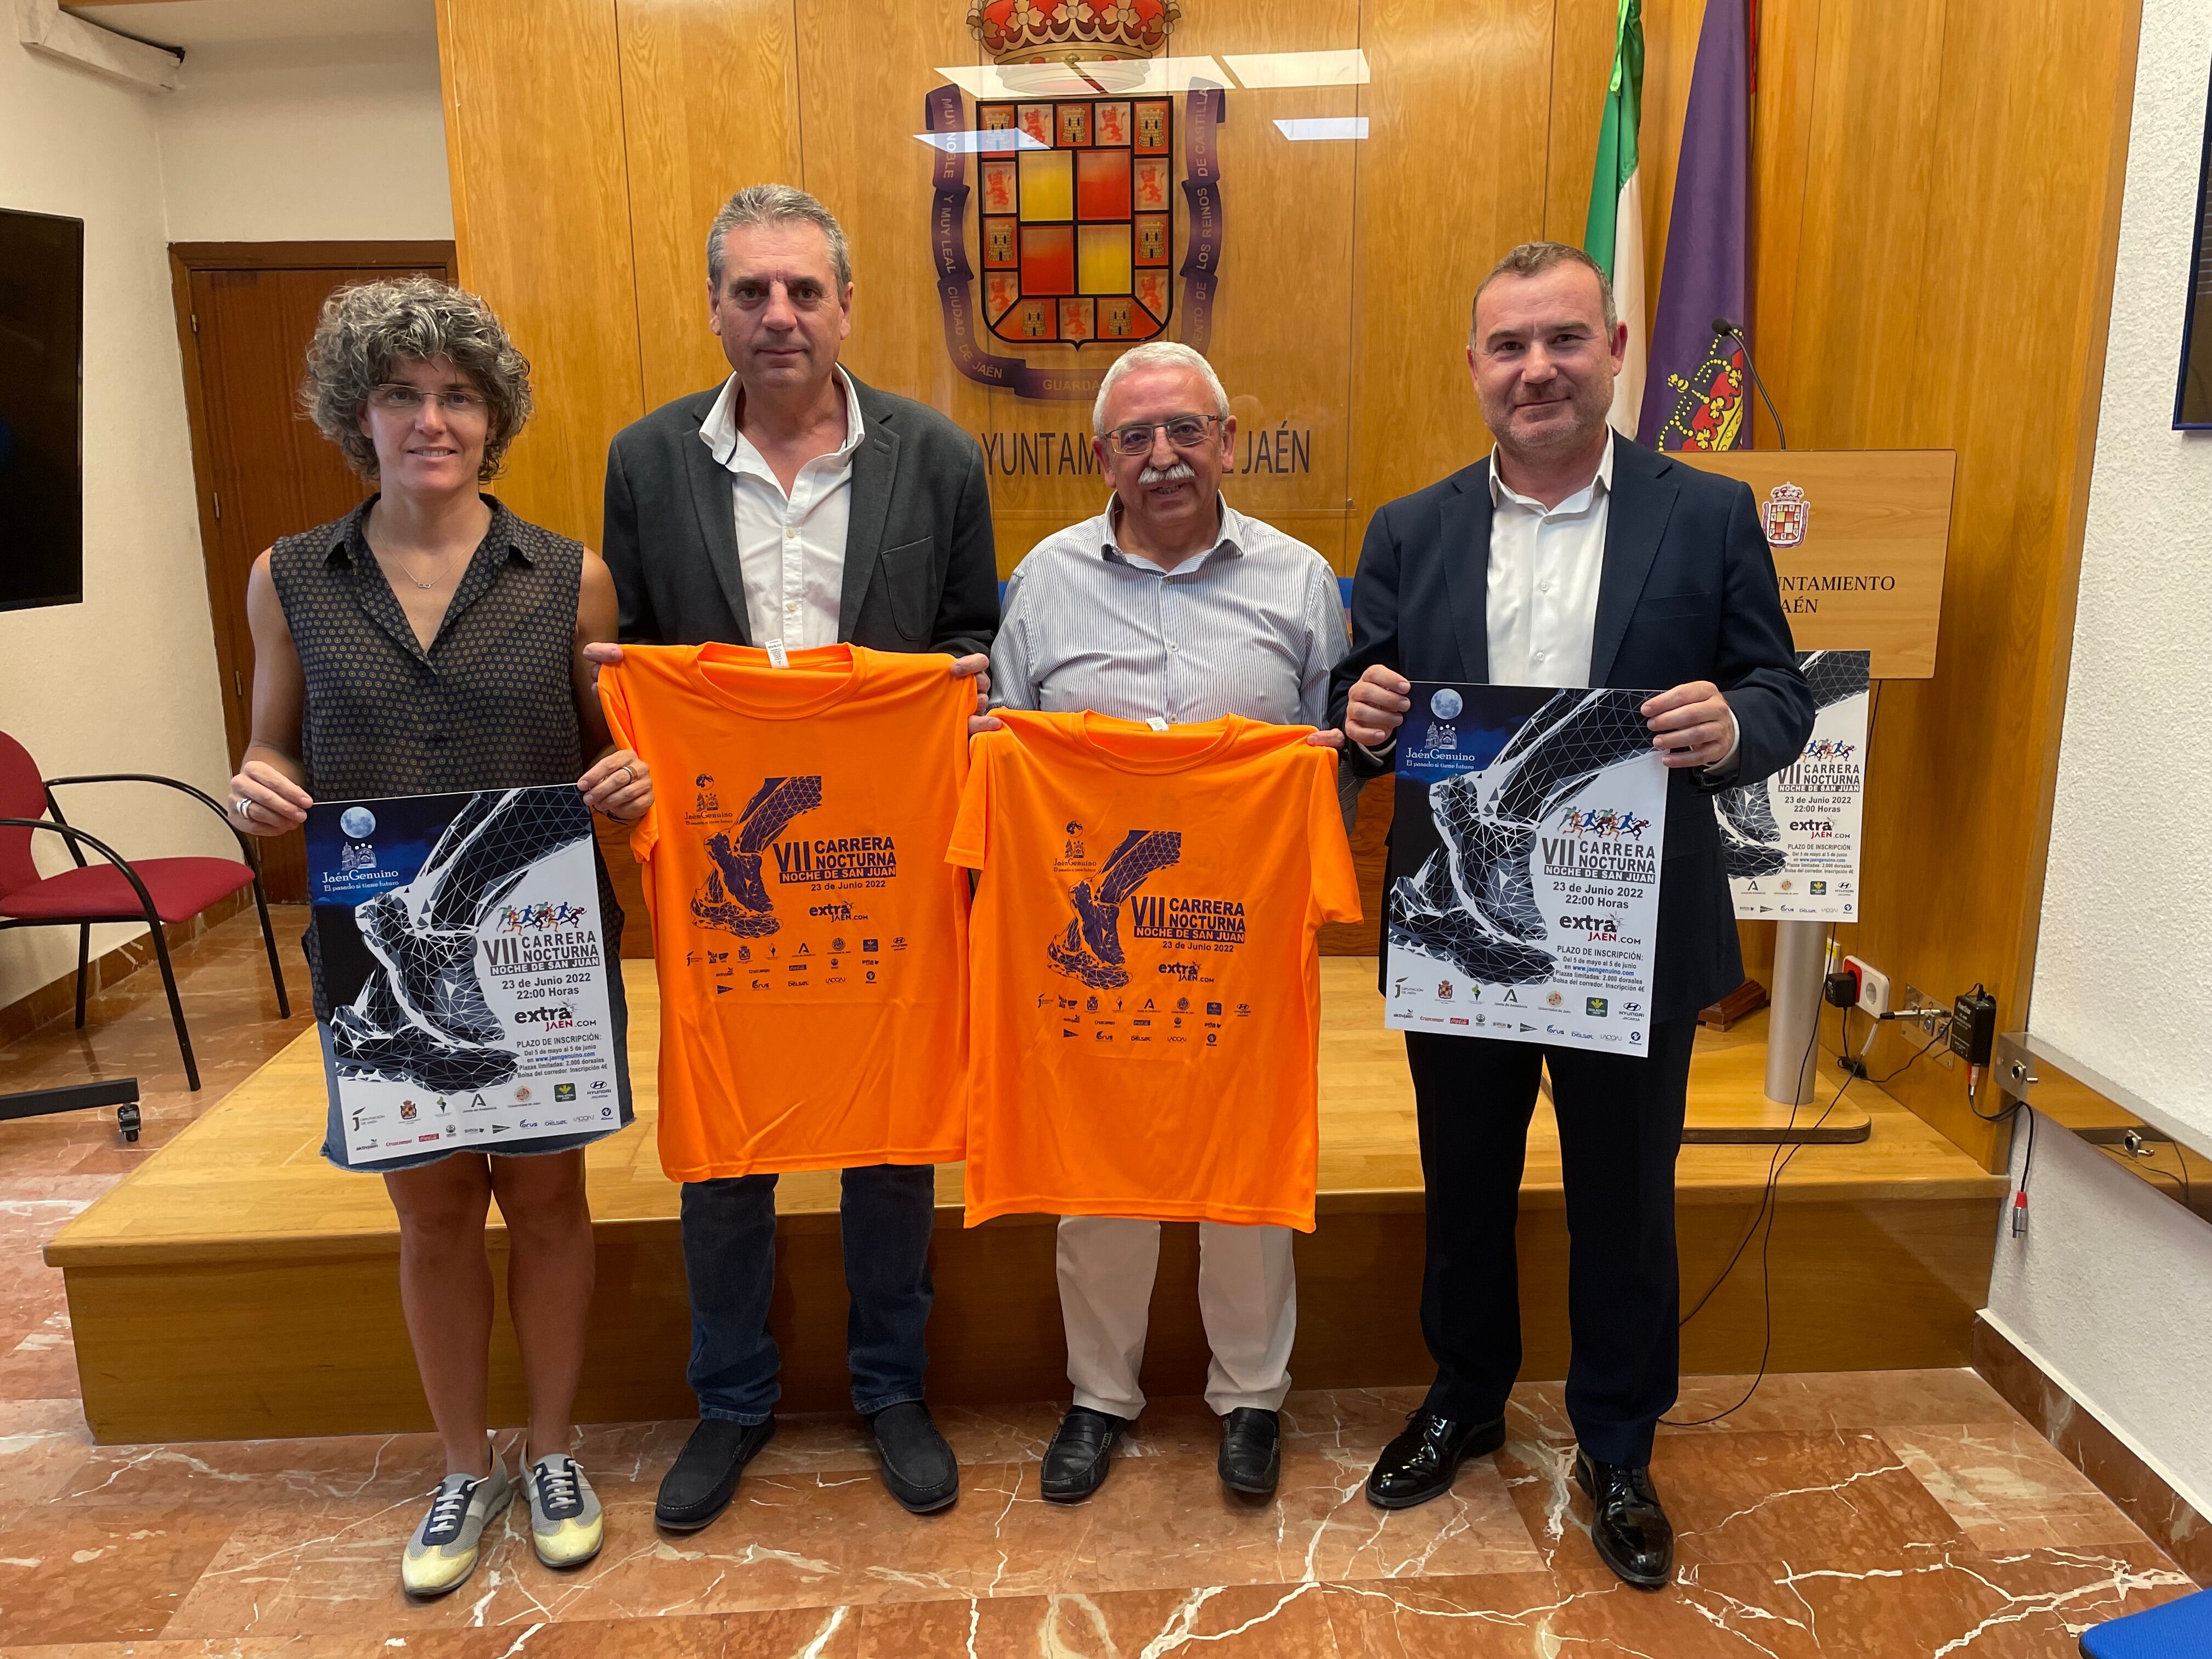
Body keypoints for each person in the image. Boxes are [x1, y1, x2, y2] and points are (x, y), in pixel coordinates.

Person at [1329, 242, 1813, 1590]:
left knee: (1624, 1204)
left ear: (1614, 350)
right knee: (1464, 1188)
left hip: (1632, 932)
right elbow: (1369, 699)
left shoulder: (1708, 515)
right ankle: (1465, 1399)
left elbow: (1779, 691)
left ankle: (1618, 1443)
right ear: (1475, 369)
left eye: (1562, 340)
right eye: (1507, 347)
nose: (1535, 369)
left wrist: (1732, 728)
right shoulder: (1411, 529)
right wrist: (1360, 716)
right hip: (1463, 931)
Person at [227, 276, 653, 1598]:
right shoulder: (290, 574)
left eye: (457, 395)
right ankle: (464, 1465)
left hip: (543, 948)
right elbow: (269, 742)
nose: (432, 419)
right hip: (370, 943)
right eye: (403, 396)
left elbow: (611, 754)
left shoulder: (569, 576)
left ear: (493, 414)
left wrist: (632, 777)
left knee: (547, 1201)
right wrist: (253, 785)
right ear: (359, 417)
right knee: (429, 1217)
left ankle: (553, 1449)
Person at [590, 184, 998, 1528]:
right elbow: (638, 649)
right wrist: (638, 746)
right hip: (727, 866)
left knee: (890, 1132)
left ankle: (891, 1387)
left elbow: (969, 639)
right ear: (715, 306)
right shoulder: (646, 462)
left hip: (880, 852)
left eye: (803, 291)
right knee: (724, 1137)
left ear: (845, 306)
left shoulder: (936, 456)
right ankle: (732, 1401)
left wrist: (960, 704)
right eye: (752, 292)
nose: (779, 316)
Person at [988, 340, 1348, 1504]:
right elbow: (999, 746)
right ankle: (1101, 1396)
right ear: (1101, 456)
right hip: (1088, 942)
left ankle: (1252, 1400)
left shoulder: (1301, 583)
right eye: (1137, 437)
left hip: (1237, 941)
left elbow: (1329, 768)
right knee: (1100, 1171)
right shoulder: (1043, 581)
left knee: (1245, 1169)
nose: (1163, 456)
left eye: (1186, 429)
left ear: (1228, 441)